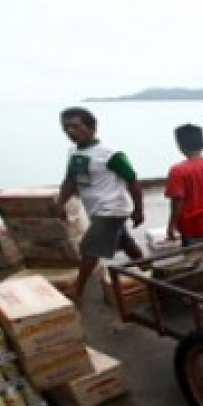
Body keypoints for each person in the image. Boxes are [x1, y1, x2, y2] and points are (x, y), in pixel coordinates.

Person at [56, 107, 145, 302]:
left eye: (75, 126)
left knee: (89, 250)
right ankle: (150, 271)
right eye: (65, 128)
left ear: (92, 127)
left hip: (112, 210)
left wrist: (139, 210)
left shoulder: (111, 154)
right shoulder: (73, 152)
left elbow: (133, 181)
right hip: (95, 211)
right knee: (127, 244)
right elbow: (70, 180)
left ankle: (77, 292)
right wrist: (60, 203)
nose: (70, 132)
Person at [165, 124, 203, 246]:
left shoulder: (177, 170)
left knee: (195, 259)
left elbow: (177, 201)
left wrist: (171, 226)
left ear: (180, 146)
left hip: (190, 226)